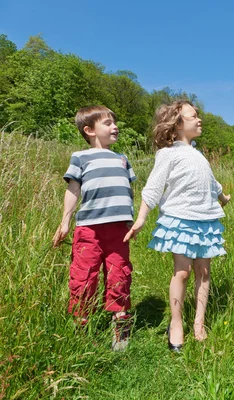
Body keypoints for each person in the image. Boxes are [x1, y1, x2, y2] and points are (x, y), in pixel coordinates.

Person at [124, 100, 230, 351]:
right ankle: (176, 323)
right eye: (193, 116)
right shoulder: (168, 154)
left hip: (206, 220)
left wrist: (223, 198)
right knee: (182, 272)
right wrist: (141, 218)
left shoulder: (199, 155)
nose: (199, 119)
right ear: (177, 124)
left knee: (204, 272)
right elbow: (153, 187)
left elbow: (212, 183)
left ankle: (199, 323)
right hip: (180, 219)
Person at [53, 105, 136, 351]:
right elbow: (73, 190)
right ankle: (81, 331)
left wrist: (131, 217)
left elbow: (128, 190)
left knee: (119, 275)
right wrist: (65, 221)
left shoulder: (123, 159)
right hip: (89, 229)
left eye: (115, 122)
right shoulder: (81, 157)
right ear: (89, 130)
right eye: (108, 123)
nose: (115, 126)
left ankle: (120, 330)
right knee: (84, 276)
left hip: (119, 230)